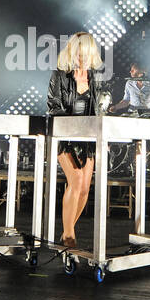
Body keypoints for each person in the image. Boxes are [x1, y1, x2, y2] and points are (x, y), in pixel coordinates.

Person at [46, 32, 103, 248]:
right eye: (80, 54)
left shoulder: (95, 77)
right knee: (76, 181)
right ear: (72, 53)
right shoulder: (60, 75)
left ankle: (66, 233)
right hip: (65, 138)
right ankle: (69, 237)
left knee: (85, 189)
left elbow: (98, 109)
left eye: (87, 54)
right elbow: (53, 107)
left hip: (88, 139)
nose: (84, 58)